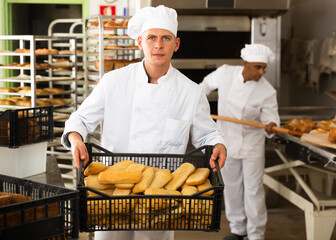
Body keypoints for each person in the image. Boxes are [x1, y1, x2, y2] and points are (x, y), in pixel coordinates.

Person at [61, 5, 227, 240]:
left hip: (161, 195)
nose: (158, 45)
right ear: (140, 42)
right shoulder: (114, 82)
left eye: (166, 38)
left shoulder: (191, 92)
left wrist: (218, 144)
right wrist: (76, 138)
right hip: (113, 191)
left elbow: (208, 135)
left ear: (176, 44)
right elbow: (80, 119)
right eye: (151, 38)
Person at [200, 44, 280, 240]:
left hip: (252, 146)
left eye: (264, 68)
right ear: (246, 64)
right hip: (226, 142)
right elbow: (202, 88)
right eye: (257, 67)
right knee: (232, 187)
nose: (261, 72)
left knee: (253, 191)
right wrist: (198, 109)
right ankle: (237, 230)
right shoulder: (225, 73)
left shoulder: (267, 91)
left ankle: (256, 235)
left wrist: (271, 126)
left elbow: (272, 120)